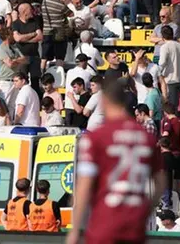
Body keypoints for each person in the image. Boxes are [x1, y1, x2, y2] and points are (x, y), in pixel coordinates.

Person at [66, 81, 164, 244]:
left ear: (104, 101)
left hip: (104, 225)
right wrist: (144, 210)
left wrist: (75, 231)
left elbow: (84, 186)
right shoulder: (146, 137)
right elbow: (160, 182)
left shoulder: (97, 137)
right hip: (135, 226)